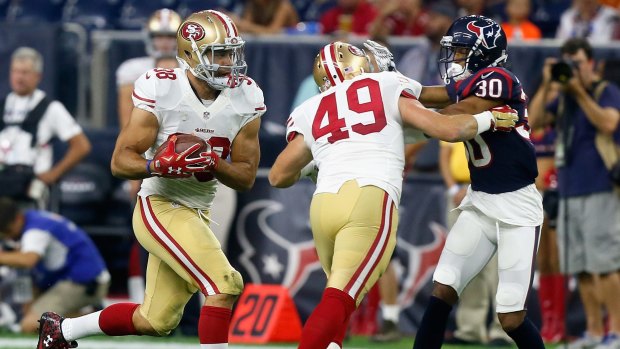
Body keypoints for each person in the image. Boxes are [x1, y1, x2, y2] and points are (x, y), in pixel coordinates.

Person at [36, 10, 266, 349]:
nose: (230, 62)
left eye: (232, 53)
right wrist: (157, 165)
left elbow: (245, 177)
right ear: (192, 54)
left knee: (155, 320)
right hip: (160, 204)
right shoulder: (162, 88)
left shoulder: (245, 96)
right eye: (219, 54)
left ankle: (62, 331)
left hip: (200, 208)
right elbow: (120, 161)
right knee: (225, 284)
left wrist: (212, 162)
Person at [268, 40, 518, 349]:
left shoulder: (310, 107)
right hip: (369, 197)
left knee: (339, 303)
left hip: (323, 206)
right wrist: (489, 118)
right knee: (339, 299)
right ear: (356, 67)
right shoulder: (385, 84)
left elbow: (279, 175)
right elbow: (447, 129)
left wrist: (314, 163)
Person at [400, 15, 545, 349]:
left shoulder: (499, 79)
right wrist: (394, 89)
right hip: (480, 200)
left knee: (510, 317)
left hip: (516, 205)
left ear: (484, 52)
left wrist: (412, 116)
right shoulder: (476, 79)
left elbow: (460, 111)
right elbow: (435, 95)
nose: (456, 59)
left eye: (463, 51)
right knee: (444, 287)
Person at [529, 38, 620, 349]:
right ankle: (595, 332)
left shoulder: (604, 91)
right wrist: (546, 82)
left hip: (599, 186)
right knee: (579, 267)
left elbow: (609, 123)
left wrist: (579, 91)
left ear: (591, 63)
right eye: (568, 61)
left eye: (577, 61)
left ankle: (616, 334)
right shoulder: (563, 97)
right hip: (568, 190)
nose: (573, 67)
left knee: (604, 265)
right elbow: (536, 120)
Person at [439, 140, 512, 346]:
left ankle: (503, 330)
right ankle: (471, 329)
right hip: (460, 192)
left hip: (494, 191)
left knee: (499, 265)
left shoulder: (503, 112)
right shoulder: (458, 112)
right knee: (467, 263)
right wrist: (453, 189)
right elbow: (445, 154)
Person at [0, 197, 109, 334]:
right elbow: (23, 267)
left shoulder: (35, 230)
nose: (8, 237)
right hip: (65, 278)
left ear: (17, 218)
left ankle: (100, 318)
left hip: (84, 282)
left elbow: (28, 260)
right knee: (27, 318)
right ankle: (86, 314)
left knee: (30, 325)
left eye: (8, 232)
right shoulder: (32, 219)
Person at [0, 47, 91, 207]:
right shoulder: (3, 105)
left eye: (25, 72)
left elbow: (81, 146)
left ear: (38, 76)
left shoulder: (51, 108)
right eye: (15, 71)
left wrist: (52, 175)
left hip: (30, 187)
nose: (19, 77)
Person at [116, 8, 182, 129]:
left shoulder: (193, 68)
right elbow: (126, 123)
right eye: (159, 36)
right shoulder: (132, 69)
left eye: (170, 37)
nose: (165, 42)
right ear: (150, 38)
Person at [231, 0, 299, 34]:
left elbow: (272, 32)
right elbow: (245, 29)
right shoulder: (253, 5)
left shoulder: (283, 6)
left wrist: (241, 24)